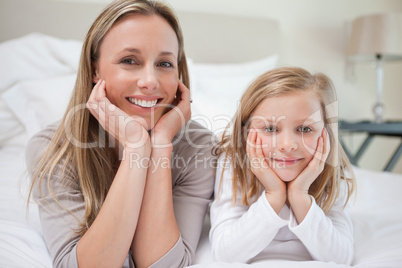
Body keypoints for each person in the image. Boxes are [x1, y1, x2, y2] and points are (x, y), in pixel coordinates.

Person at [25, 0, 215, 267]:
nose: (150, 81)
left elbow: (162, 264)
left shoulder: (199, 148)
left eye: (165, 63)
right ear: (94, 70)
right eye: (129, 60)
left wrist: (159, 144)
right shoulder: (53, 149)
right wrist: (136, 147)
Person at [209, 67, 356, 264]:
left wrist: (299, 196)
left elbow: (341, 258)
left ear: (326, 133)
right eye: (270, 128)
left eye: (305, 128)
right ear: (246, 134)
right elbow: (225, 254)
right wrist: (274, 195)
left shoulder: (330, 169)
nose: (287, 145)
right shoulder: (233, 163)